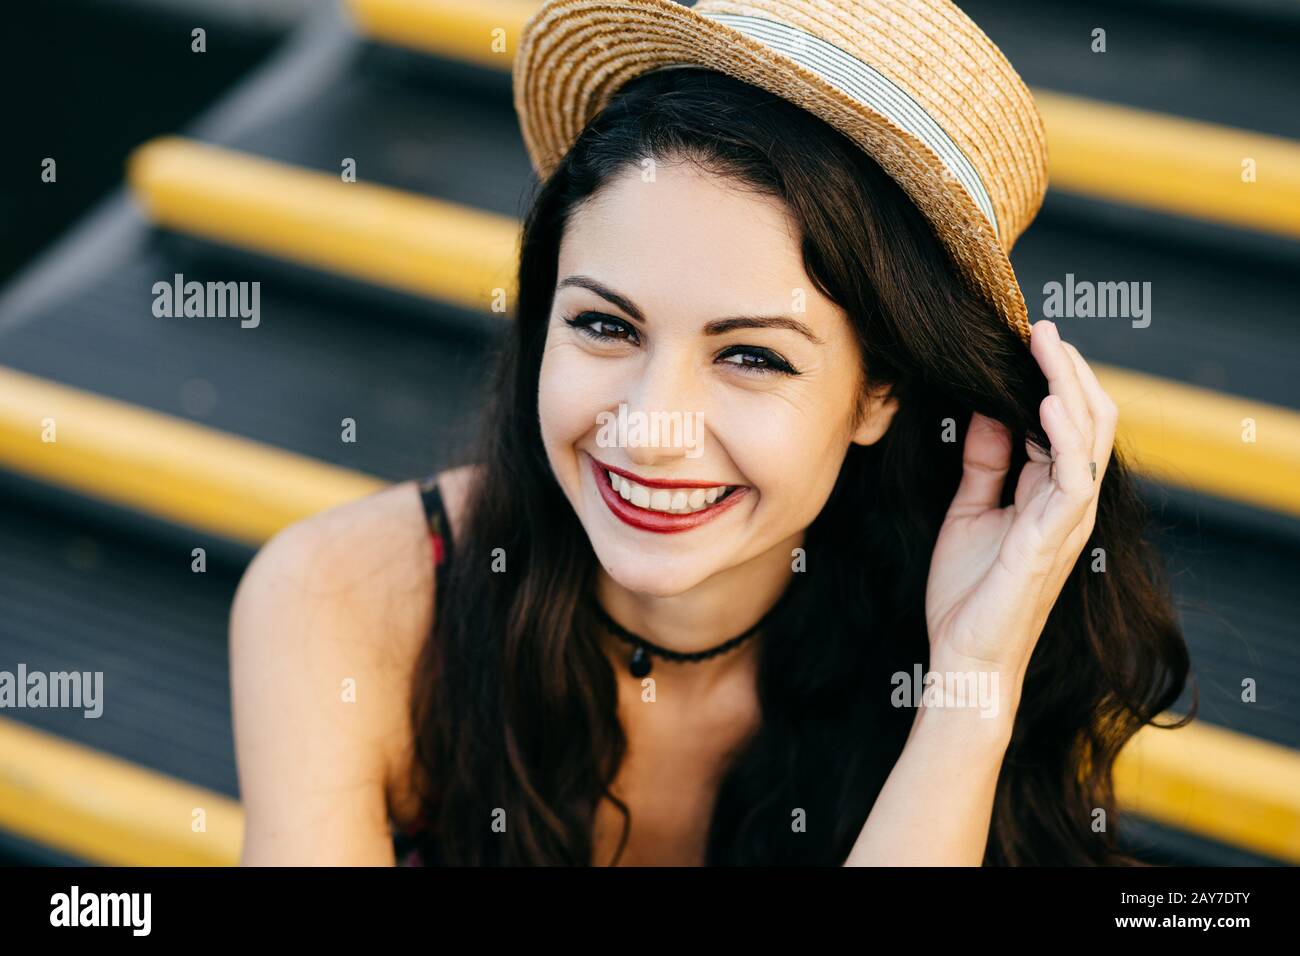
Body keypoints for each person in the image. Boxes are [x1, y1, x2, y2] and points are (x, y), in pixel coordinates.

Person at [230, 0, 1192, 866]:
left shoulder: (937, 625)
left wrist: (969, 686)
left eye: (753, 357)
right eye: (605, 326)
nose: (650, 431)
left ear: (878, 395)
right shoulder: (340, 601)